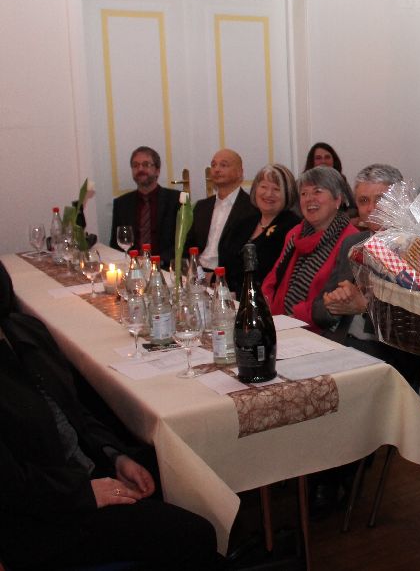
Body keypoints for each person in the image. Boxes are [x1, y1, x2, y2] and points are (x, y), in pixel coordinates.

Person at [0, 262, 219, 570]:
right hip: (46, 517)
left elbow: (75, 411)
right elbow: (12, 486)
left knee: (182, 468)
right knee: (196, 535)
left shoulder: (23, 329)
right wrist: (87, 492)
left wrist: (116, 457)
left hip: (83, 474)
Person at [312, 163, 420, 388]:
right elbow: (318, 310)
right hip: (340, 345)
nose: (371, 208)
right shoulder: (353, 244)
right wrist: (334, 304)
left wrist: (365, 308)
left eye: (380, 199)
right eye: (363, 201)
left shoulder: (417, 249)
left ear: (399, 201)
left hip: (388, 357)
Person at [262, 166, 358, 324]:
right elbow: (272, 279)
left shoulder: (351, 241)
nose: (309, 199)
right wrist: (266, 312)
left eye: (317, 191)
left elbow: (334, 301)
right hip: (279, 321)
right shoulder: (295, 233)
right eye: (304, 194)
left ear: (337, 199)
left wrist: (292, 319)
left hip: (317, 329)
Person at [219, 164, 300, 290]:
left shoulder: (292, 227)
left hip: (263, 299)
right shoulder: (245, 222)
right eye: (263, 187)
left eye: (276, 189)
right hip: (229, 295)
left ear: (288, 194)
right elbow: (225, 259)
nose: (268, 194)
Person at [185, 149, 257, 273]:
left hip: (228, 274)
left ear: (240, 172)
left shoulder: (251, 207)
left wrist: (214, 276)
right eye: (213, 165)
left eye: (223, 165)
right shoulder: (201, 206)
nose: (217, 169)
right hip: (198, 271)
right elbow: (189, 245)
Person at [110, 146, 181, 266]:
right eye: (135, 165)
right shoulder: (121, 203)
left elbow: (184, 241)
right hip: (132, 266)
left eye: (146, 164)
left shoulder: (176, 200)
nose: (140, 169)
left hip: (165, 266)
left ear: (157, 170)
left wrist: (157, 261)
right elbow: (116, 243)